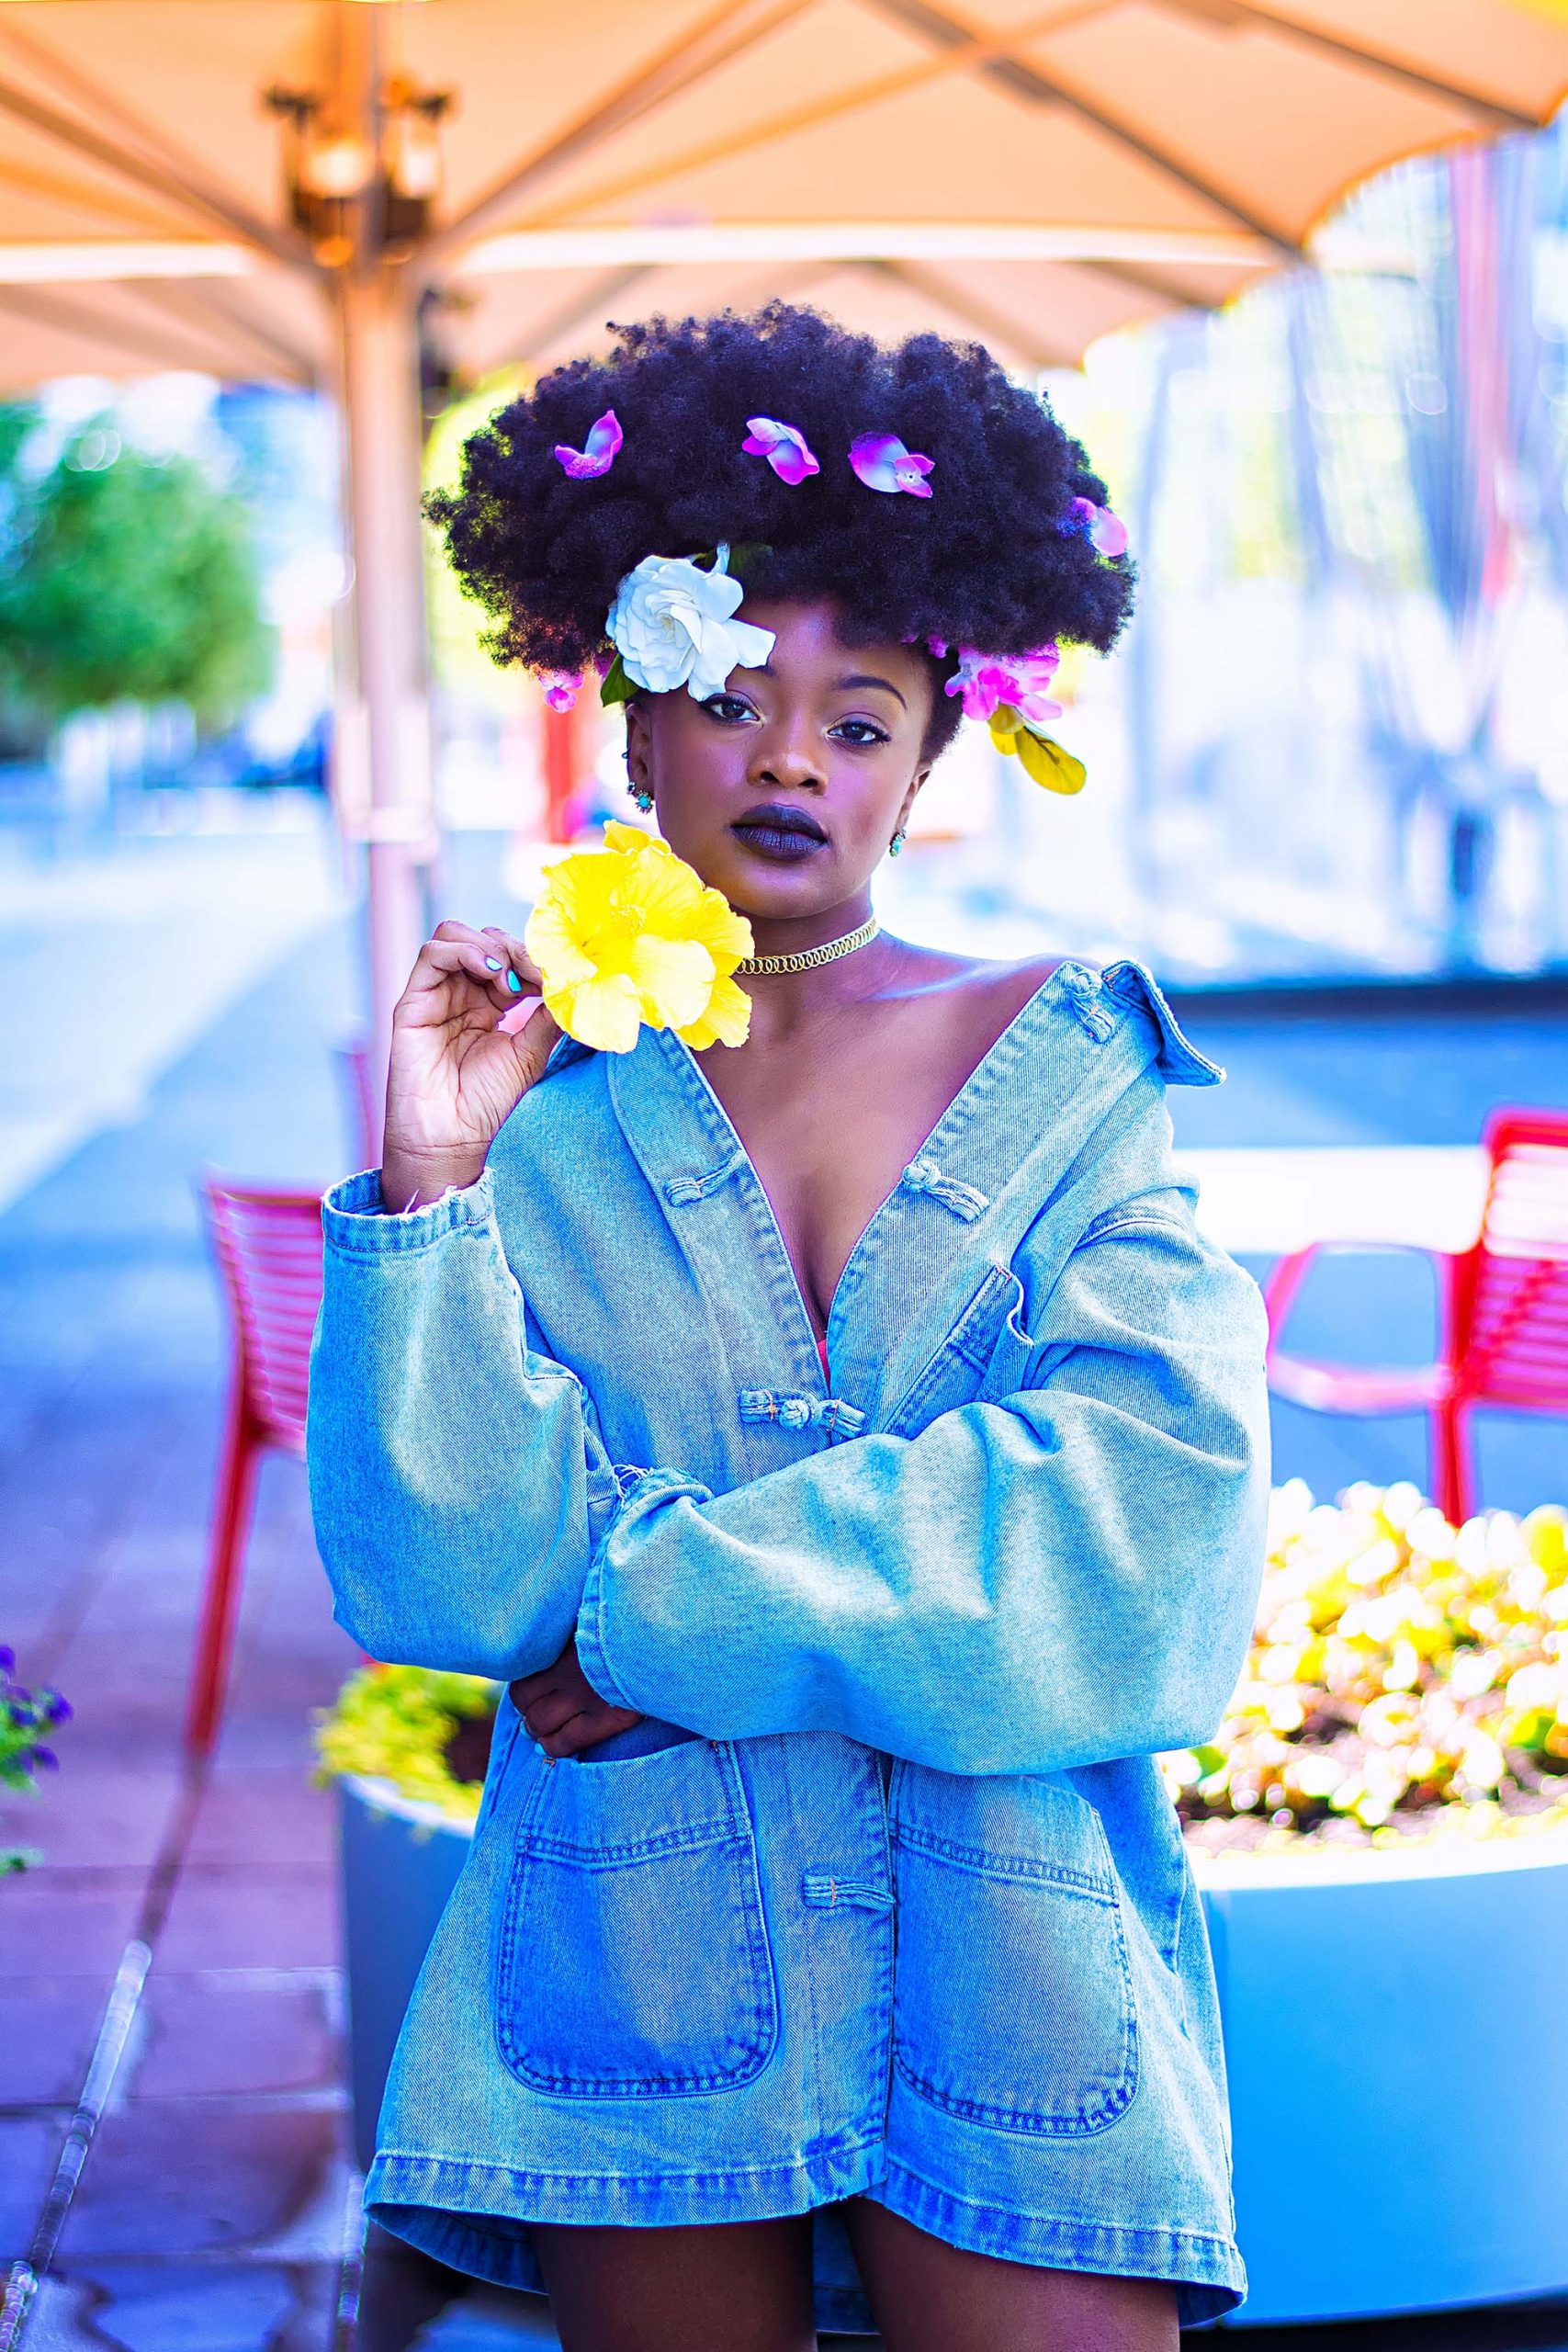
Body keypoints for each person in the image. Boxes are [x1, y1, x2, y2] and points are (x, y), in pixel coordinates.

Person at [308, 304, 1270, 2352]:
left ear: (933, 749)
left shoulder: (1061, 1057)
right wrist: (427, 1186)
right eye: (735, 696)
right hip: (636, 1950)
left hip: (1018, 1961)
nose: (788, 758)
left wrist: (642, 1607)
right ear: (625, 714)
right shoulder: (538, 1108)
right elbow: (445, 1580)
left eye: (861, 713)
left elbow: (1147, 1540)